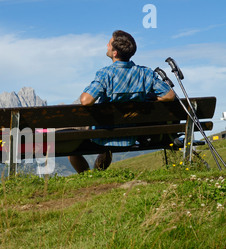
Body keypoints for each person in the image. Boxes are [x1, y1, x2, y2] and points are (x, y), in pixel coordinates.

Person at [69, 30, 175, 173]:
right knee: (106, 145)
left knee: (69, 142)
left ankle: (87, 176)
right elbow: (169, 96)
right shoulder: (145, 73)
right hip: (130, 136)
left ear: (115, 53)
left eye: (109, 43)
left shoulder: (105, 74)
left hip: (103, 134)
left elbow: (86, 101)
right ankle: (98, 173)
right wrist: (151, 97)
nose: (107, 45)